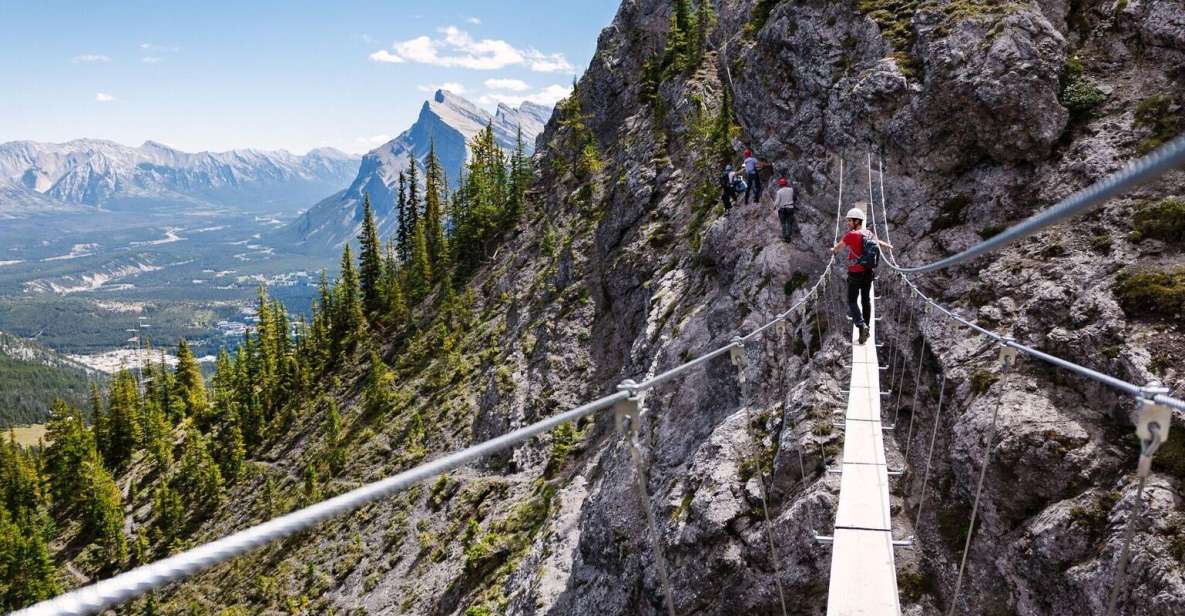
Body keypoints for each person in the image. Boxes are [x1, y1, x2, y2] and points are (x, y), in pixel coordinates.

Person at [831, 204, 893, 344]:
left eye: (850, 221)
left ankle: (861, 325)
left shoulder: (851, 235)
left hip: (855, 273)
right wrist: (888, 247)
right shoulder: (869, 233)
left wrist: (833, 250)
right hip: (868, 272)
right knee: (866, 301)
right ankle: (865, 331)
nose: (848, 223)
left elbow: (838, 248)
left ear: (857, 221)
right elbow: (879, 243)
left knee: (852, 301)